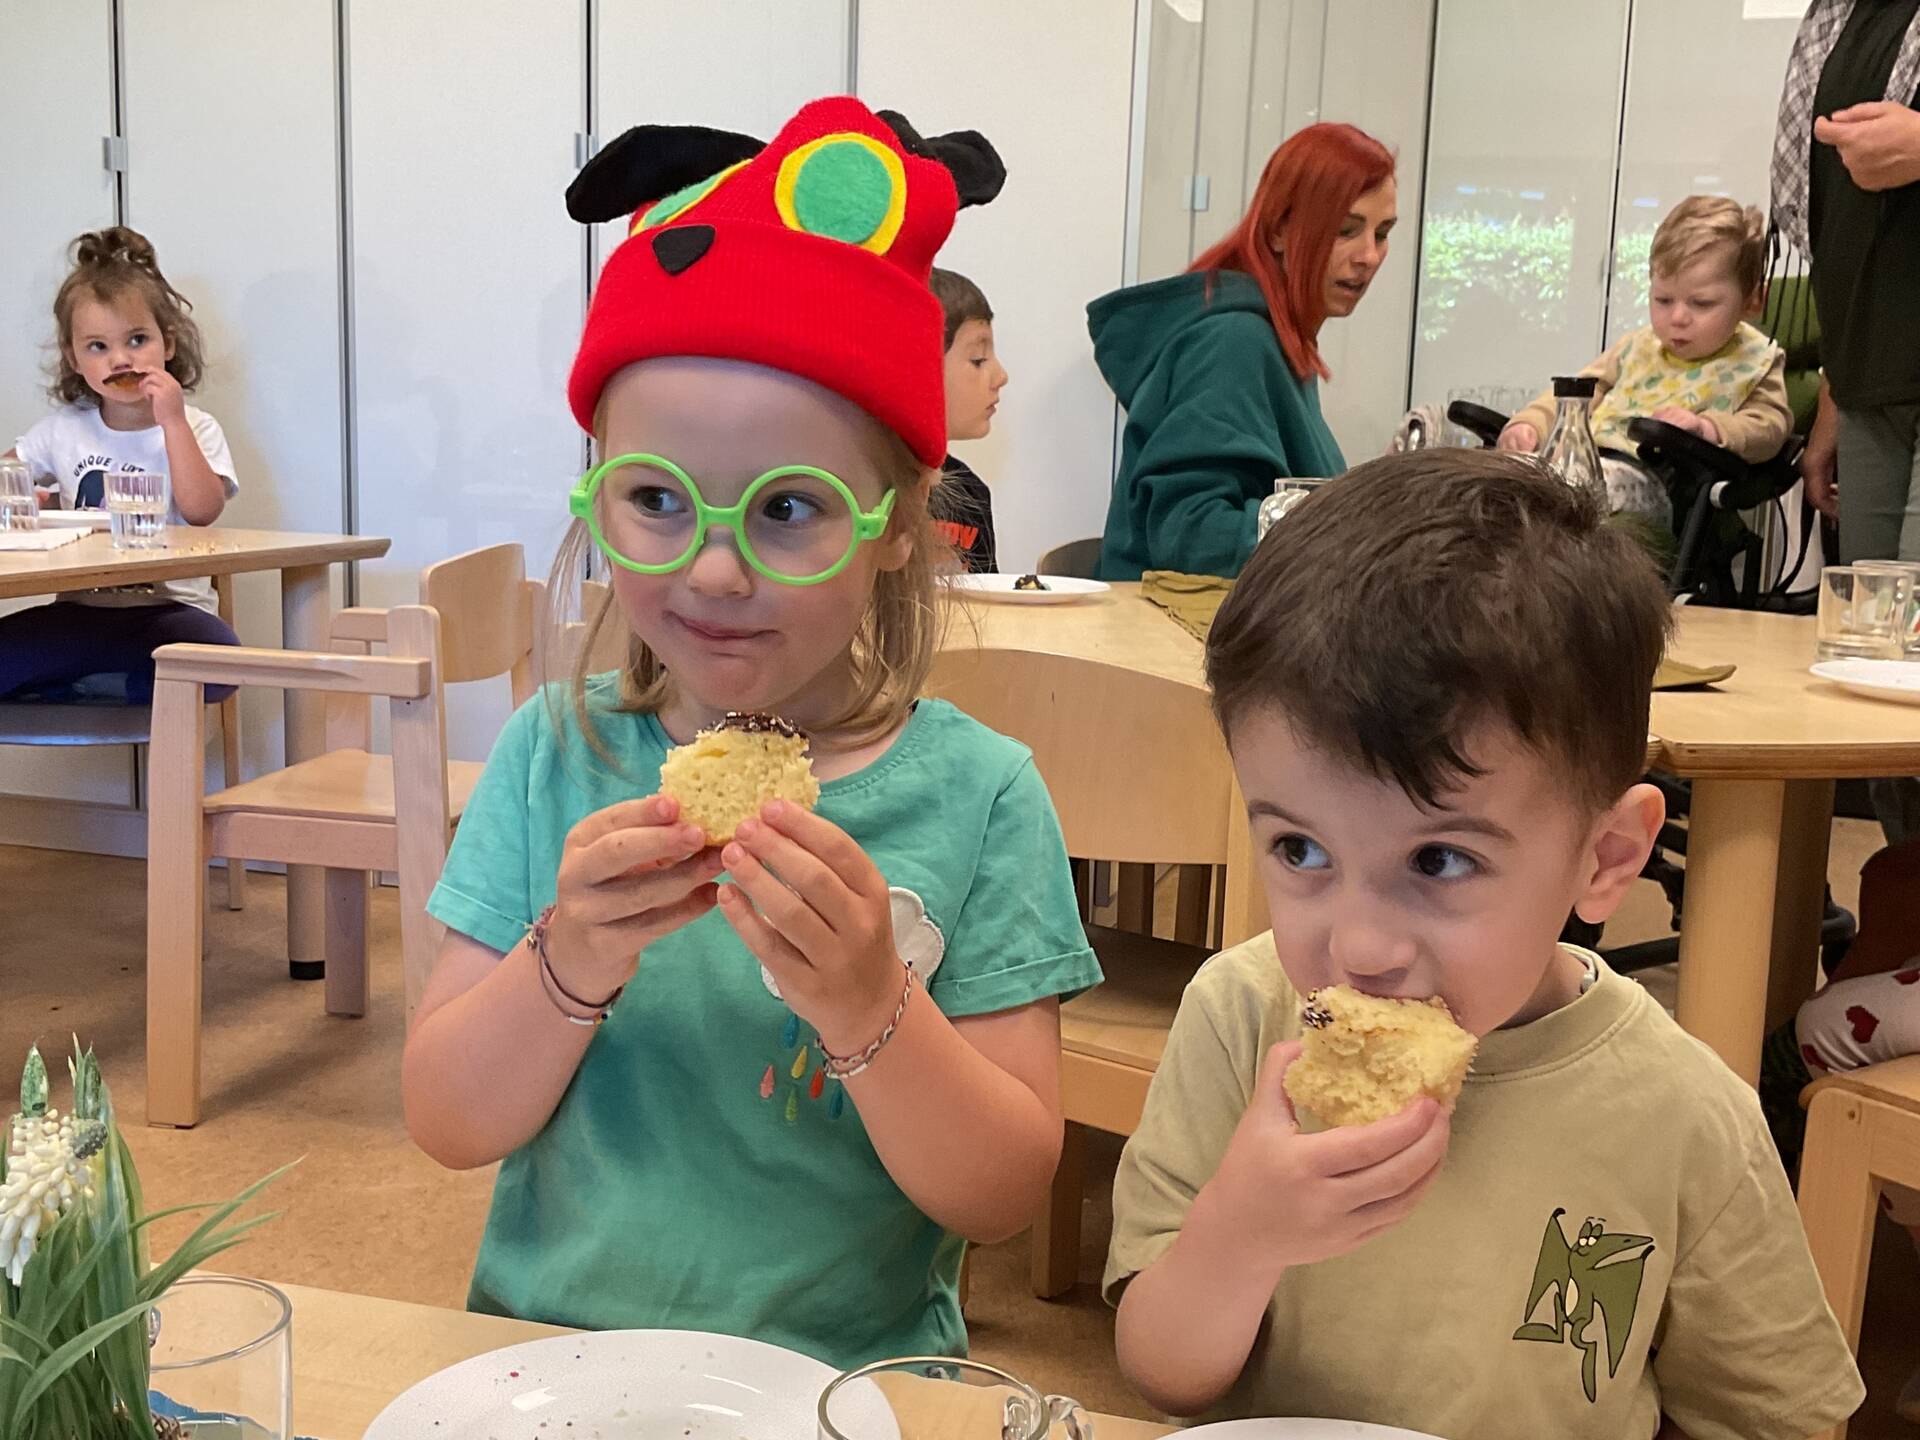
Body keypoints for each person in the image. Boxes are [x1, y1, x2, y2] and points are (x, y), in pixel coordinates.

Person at [399, 97, 1098, 1370]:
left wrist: (871, 1004)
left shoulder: (983, 796)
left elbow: (1001, 1195)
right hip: (557, 1365)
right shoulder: (553, 754)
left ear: (898, 524)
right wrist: (569, 960)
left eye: (787, 509)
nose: (714, 569)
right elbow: (446, 1120)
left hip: (844, 1381)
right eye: (655, 499)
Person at [1105, 449, 1862, 1436]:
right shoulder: (1241, 1019)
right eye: (1300, 849)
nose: (1360, 947)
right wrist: (1239, 1238)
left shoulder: (1684, 1114)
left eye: (1439, 862)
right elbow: (1161, 1378)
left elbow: (1779, 1418)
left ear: (1605, 857)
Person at [1087, 123, 1395, 581]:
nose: (1368, 255)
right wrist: (1352, 530)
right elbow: (1192, 534)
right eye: (1345, 230)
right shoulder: (1233, 342)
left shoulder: (1279, 341)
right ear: (1279, 231)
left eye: (1382, 233)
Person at [1774, 1, 1920, 843]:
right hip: (1870, 378)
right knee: (1875, 676)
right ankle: (1901, 901)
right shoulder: (1842, 13)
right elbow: (1849, 234)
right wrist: (1833, 392)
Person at [1, 227, 239, 703]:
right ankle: (94, 683)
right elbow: (7, 474)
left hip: (169, 610)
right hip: (78, 611)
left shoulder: (195, 426)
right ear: (73, 358)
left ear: (168, 345)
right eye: (98, 347)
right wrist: (25, 498)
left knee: (220, 665)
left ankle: (85, 686)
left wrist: (172, 422)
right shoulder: (63, 429)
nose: (121, 359)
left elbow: (202, 511)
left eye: (137, 339)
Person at [1498, 196, 1793, 530]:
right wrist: (1530, 425)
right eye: (1663, 300)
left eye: (1702, 303)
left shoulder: (1754, 360)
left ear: (1753, 301)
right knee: (1507, 480)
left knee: (1562, 492)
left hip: (1658, 486)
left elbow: (1769, 427)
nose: (1678, 317)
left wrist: (1707, 428)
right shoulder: (1637, 347)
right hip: (1588, 463)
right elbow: (1576, 396)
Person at [927, 267, 1006, 573]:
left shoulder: (971, 494)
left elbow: (988, 597)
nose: (1001, 376)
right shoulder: (866, 491)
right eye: (978, 360)